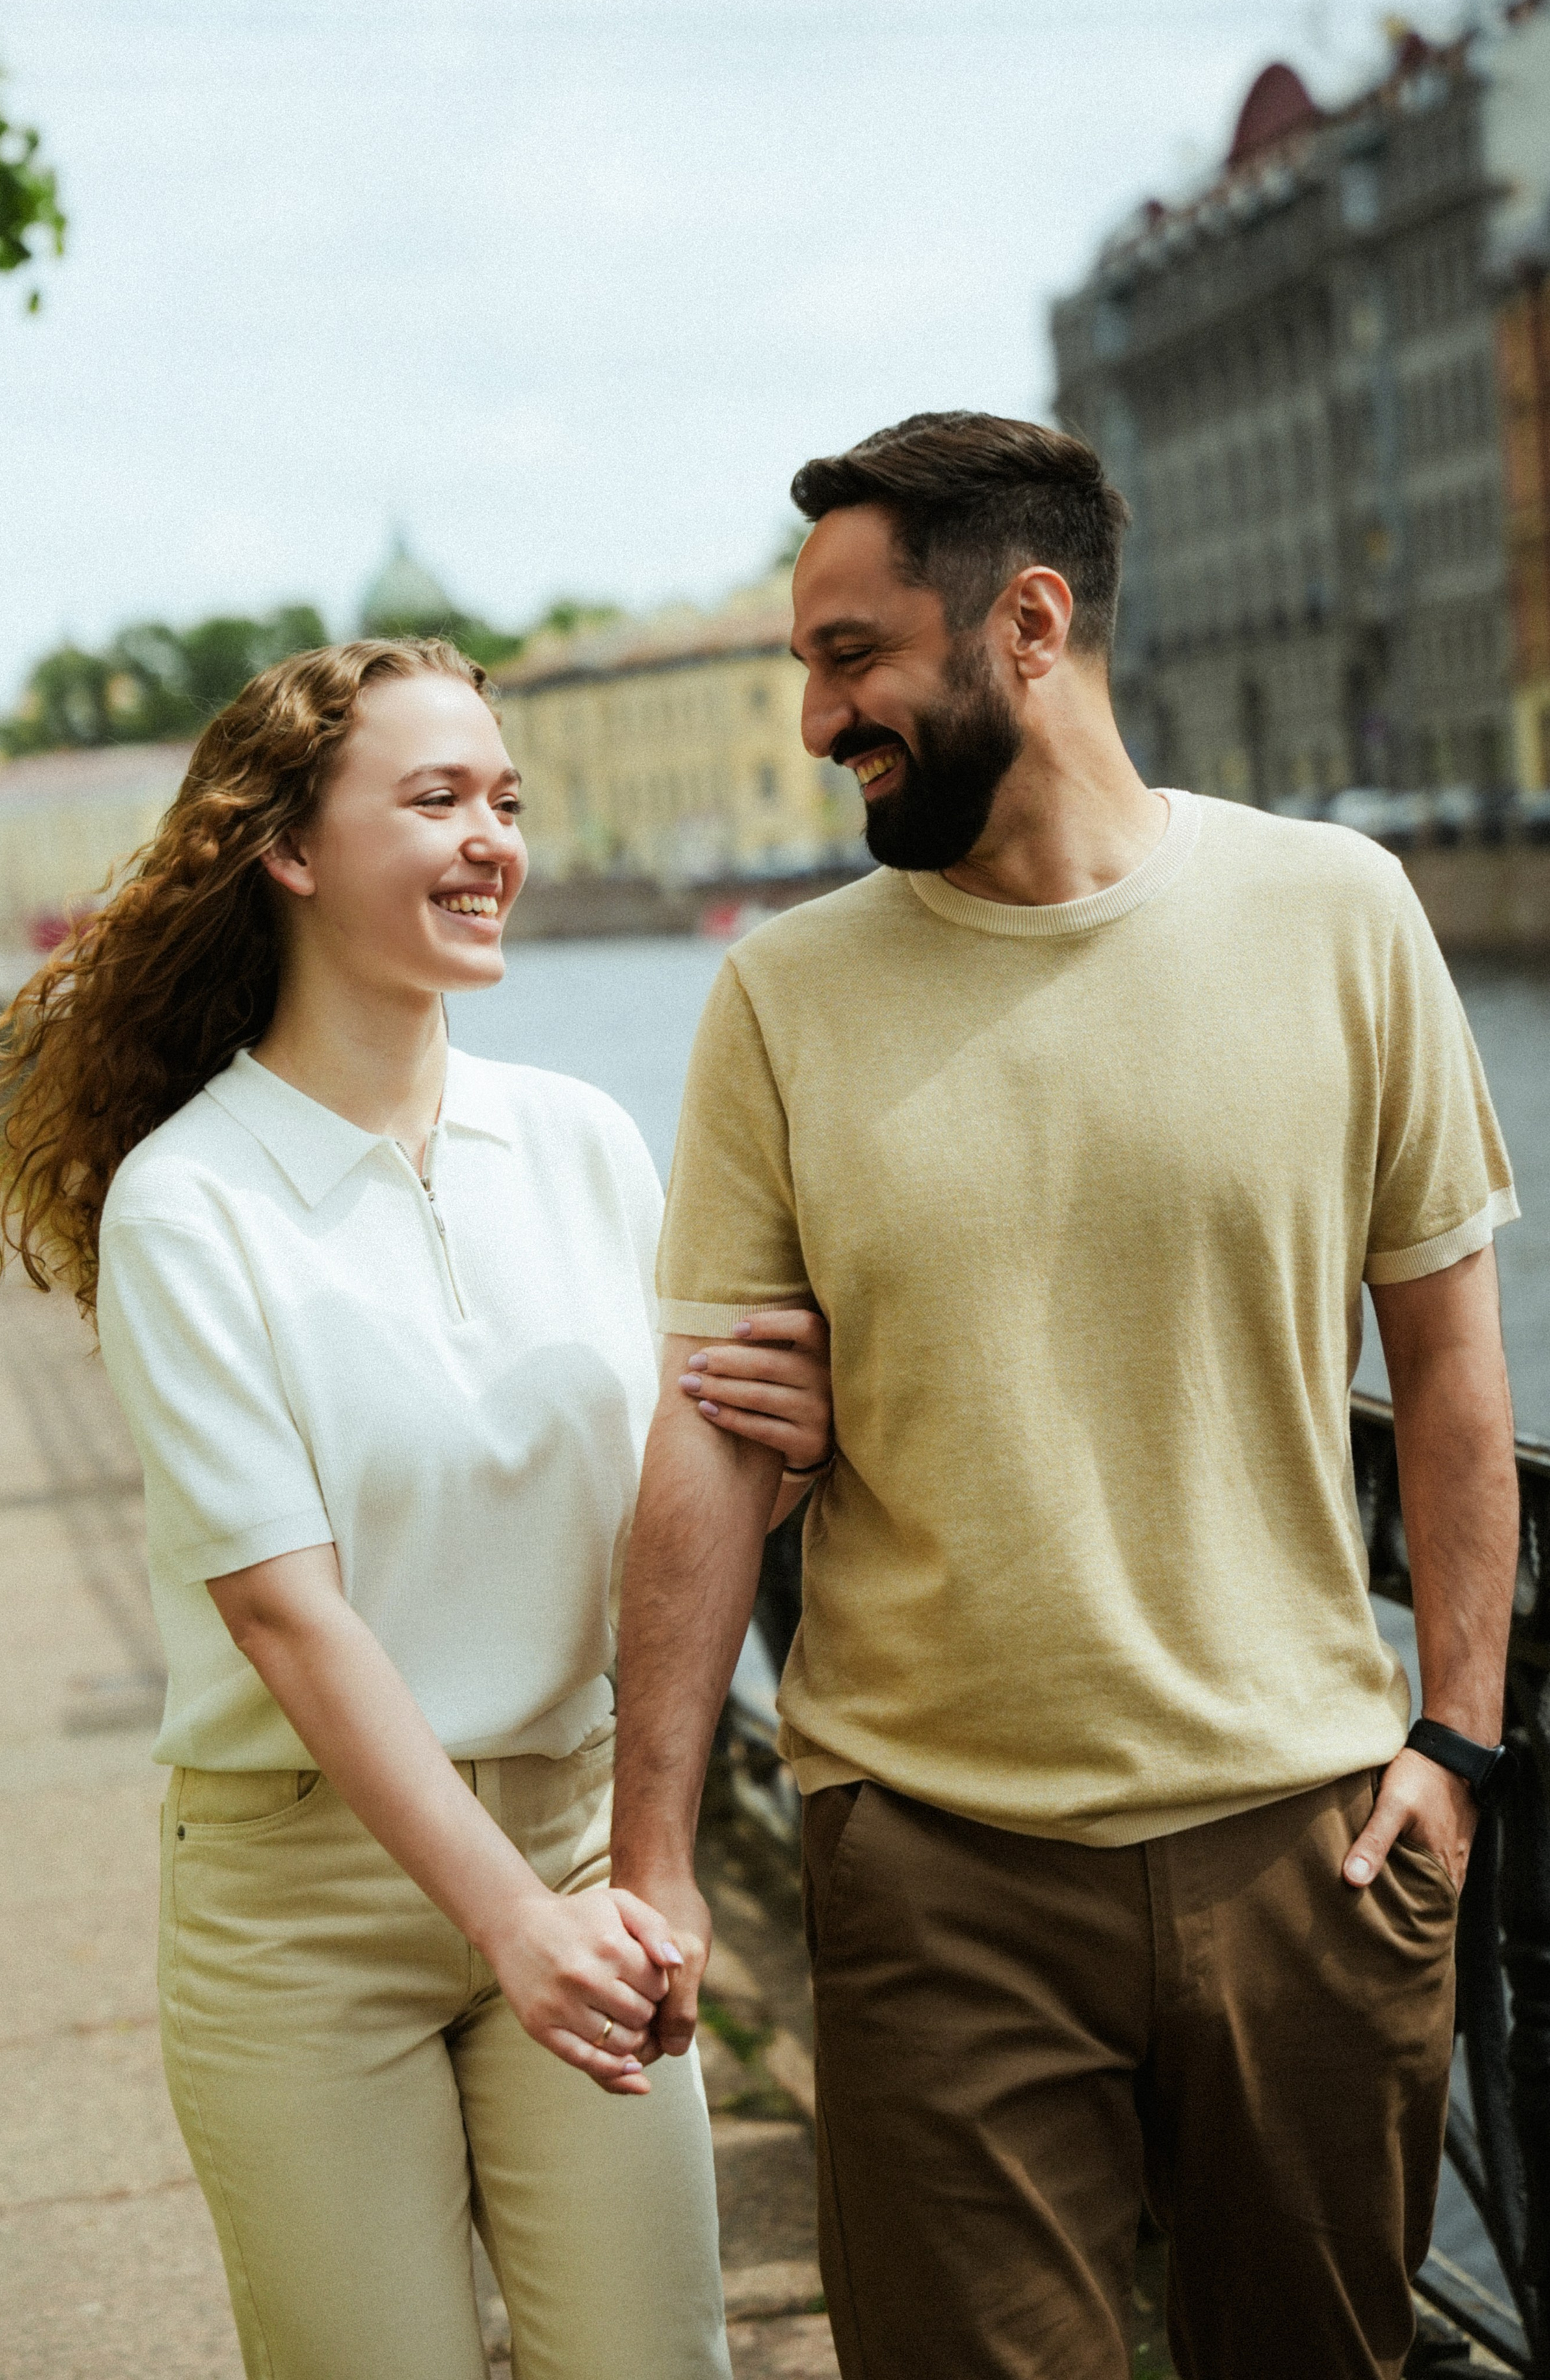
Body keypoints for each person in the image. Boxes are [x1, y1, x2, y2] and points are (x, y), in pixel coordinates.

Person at [609, 412, 1521, 2380]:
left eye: (851, 658)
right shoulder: (783, 998)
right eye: (802, 668)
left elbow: (1450, 1364)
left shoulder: (1343, 911)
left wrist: (1457, 1736)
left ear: (1029, 622)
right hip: (939, 1867)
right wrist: (655, 1851)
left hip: (1313, 1842)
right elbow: (709, 1436)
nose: (815, 721)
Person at [0, 635, 835, 2380]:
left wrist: (778, 1458)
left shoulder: (581, 1140)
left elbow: (670, 1495)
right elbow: (289, 1610)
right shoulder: (192, 1202)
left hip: (580, 1836)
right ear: (288, 846)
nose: (494, 835)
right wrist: (513, 1925)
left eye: (505, 797)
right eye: (435, 798)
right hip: (301, 1903)